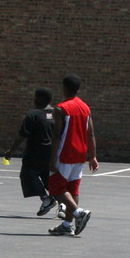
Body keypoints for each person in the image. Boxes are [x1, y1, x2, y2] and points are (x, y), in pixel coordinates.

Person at [48, 75, 98, 236]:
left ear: (64, 88)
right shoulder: (85, 107)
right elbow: (90, 133)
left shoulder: (61, 108)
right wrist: (93, 156)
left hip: (65, 153)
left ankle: (79, 213)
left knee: (55, 189)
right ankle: (67, 224)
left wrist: (52, 158)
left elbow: (56, 136)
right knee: (72, 190)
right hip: (80, 154)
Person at [3, 87, 57, 217]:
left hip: (35, 152)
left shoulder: (33, 114)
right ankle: (62, 204)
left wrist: (11, 151)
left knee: (27, 174)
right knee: (47, 177)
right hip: (52, 152)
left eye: (35, 97)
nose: (34, 100)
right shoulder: (56, 113)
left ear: (40, 99)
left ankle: (46, 199)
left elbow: (22, 135)